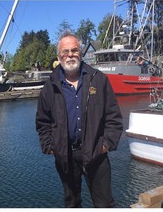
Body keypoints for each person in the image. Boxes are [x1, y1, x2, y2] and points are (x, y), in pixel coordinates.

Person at [35, 31, 123, 208]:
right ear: (59, 56)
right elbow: (43, 122)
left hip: (96, 152)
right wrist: (51, 146)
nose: (70, 55)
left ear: (81, 53)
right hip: (66, 155)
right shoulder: (49, 87)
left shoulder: (98, 80)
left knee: (104, 203)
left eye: (74, 50)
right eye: (65, 52)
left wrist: (106, 144)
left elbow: (113, 116)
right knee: (72, 203)